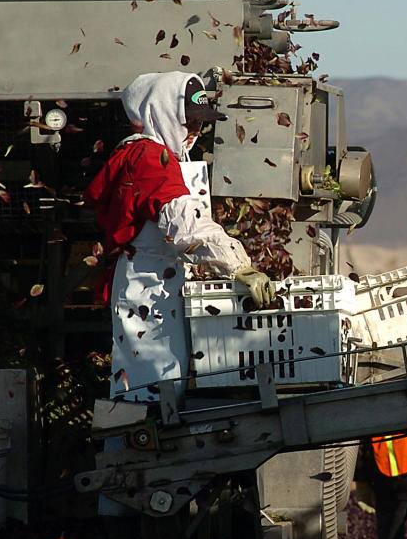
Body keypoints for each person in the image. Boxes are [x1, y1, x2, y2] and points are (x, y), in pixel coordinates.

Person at [84, 71, 275, 405]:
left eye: (200, 124)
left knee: (167, 389)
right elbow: (185, 226)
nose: (195, 132)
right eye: (188, 123)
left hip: (161, 286)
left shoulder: (162, 156)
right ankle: (130, 454)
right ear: (160, 114)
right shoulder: (149, 159)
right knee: (149, 395)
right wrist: (238, 265)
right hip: (148, 292)